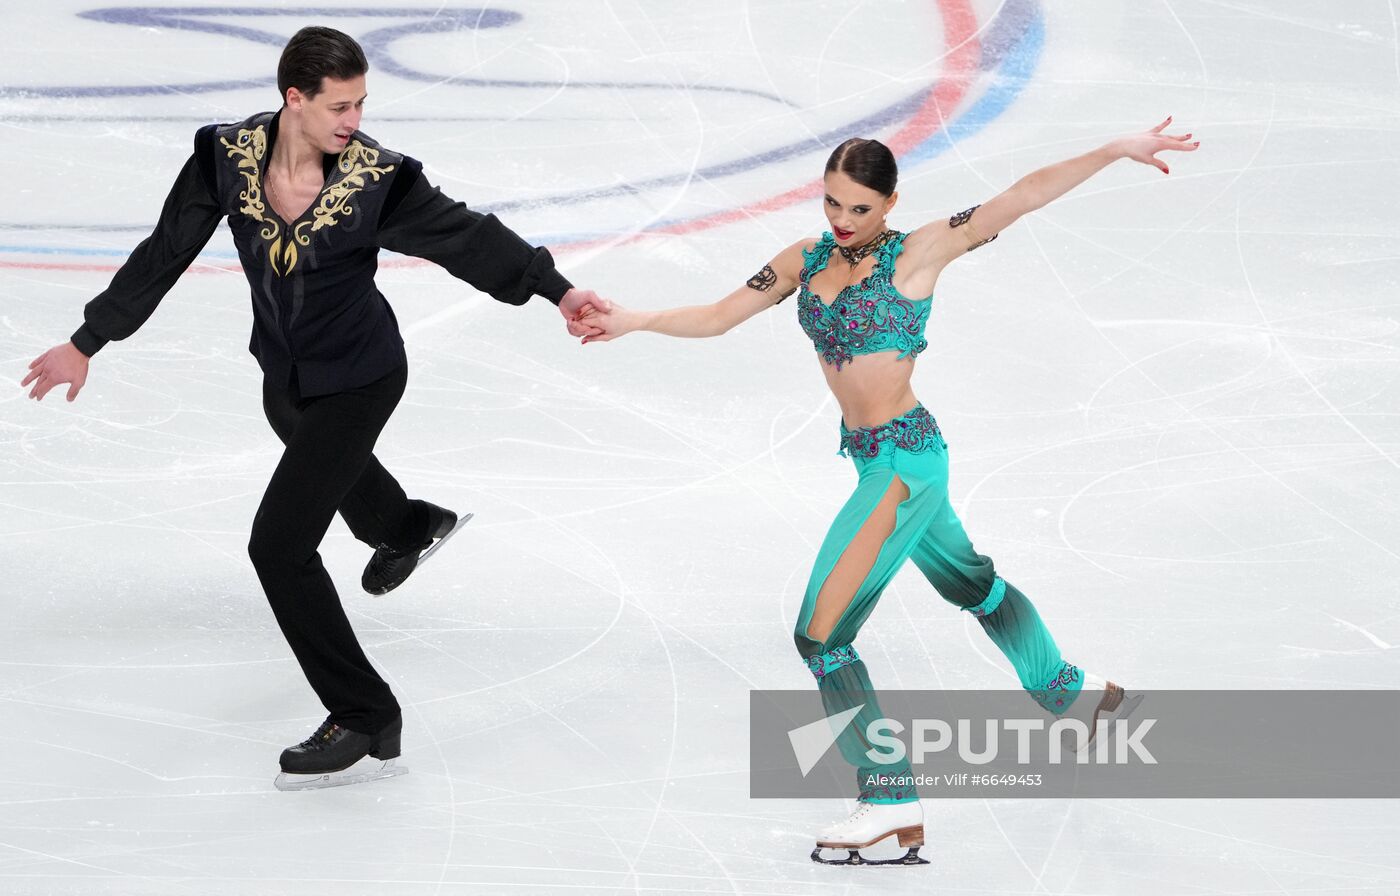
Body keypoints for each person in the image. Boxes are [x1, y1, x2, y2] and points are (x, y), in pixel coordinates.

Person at [573, 119, 1199, 863]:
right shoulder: (804, 259)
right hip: (886, 458)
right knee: (971, 582)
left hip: (903, 465)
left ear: (890, 204)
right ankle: (1069, 691)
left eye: (859, 209)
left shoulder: (919, 254)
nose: (841, 220)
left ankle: (890, 798)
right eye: (832, 203)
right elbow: (718, 316)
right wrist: (633, 320)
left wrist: (1109, 150)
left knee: (822, 635)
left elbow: (1020, 197)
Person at [21, 26, 608, 789]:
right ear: (292, 99)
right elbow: (165, 251)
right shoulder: (225, 158)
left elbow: (466, 238)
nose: (353, 121)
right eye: (339, 105)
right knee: (319, 456)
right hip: (286, 378)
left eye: (362, 103)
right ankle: (409, 525)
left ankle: (365, 714)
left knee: (279, 544)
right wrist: (88, 339)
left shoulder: (379, 179)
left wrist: (558, 292)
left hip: (362, 374)